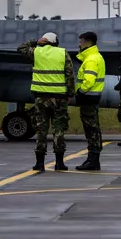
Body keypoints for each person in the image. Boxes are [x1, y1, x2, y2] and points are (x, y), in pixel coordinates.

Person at [18, 30, 74, 173]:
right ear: (56, 42)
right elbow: (70, 75)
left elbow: (21, 48)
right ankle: (59, 163)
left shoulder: (37, 52)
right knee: (59, 130)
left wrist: (35, 41)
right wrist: (70, 94)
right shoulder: (63, 53)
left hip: (41, 98)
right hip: (59, 99)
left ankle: (40, 163)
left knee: (41, 131)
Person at [74, 30, 106, 172]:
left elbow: (89, 80)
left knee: (91, 130)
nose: (79, 45)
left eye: (81, 42)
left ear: (88, 43)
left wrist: (80, 91)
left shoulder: (91, 59)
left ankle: (93, 161)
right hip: (92, 98)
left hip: (88, 98)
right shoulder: (95, 56)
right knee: (93, 128)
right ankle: (92, 159)